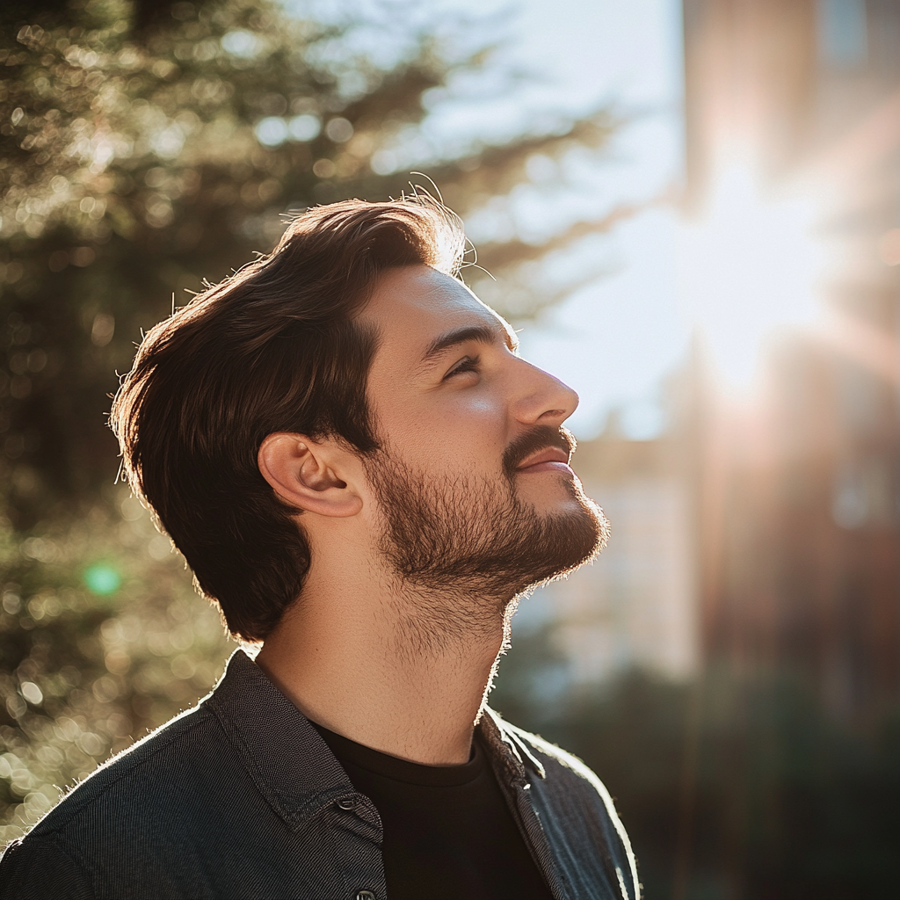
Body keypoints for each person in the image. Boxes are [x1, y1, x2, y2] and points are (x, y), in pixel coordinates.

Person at [0, 197, 639, 899]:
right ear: (317, 472)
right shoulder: (99, 872)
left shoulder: (578, 815)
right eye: (464, 370)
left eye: (513, 355)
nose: (559, 394)